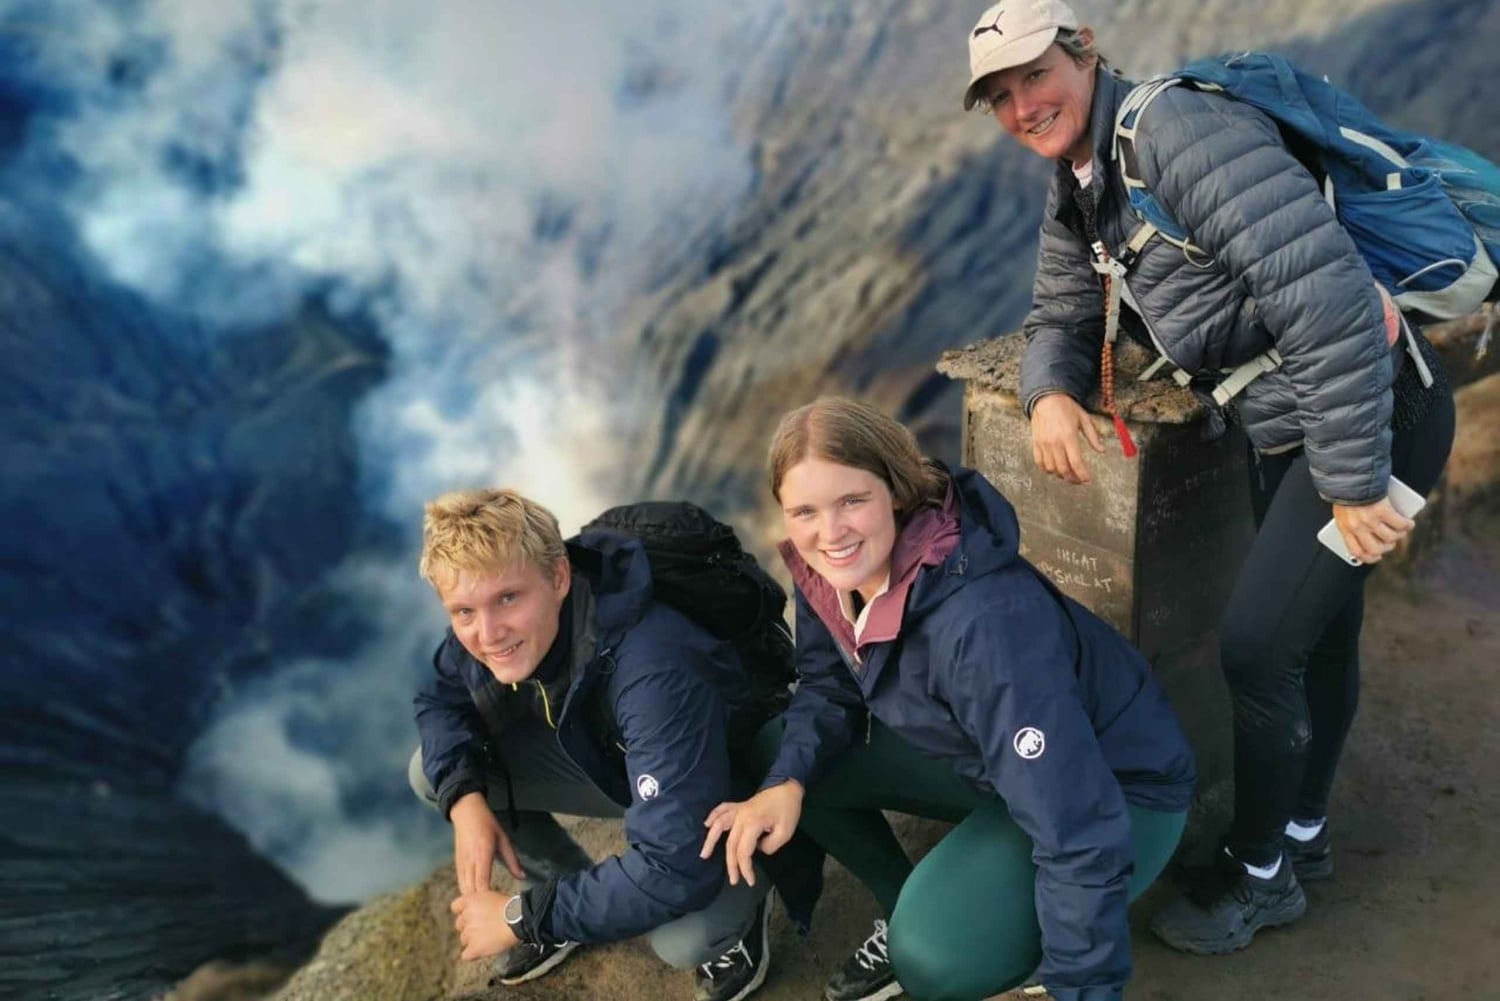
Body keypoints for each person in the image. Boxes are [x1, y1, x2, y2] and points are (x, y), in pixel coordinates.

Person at [959, 0, 1457, 955]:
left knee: (1257, 650)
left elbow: (1331, 303)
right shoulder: (1081, 182)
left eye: (1035, 75)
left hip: (1369, 418)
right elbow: (1058, 314)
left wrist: (1356, 484)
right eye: (1001, 96)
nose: (1023, 105)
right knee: (1317, 636)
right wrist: (1048, 395)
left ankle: (1261, 875)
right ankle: (1303, 838)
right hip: (1292, 432)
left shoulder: (1174, 134)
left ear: (1085, 51)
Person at [700, 398, 1196, 1001]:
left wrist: (1081, 989)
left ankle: (974, 936)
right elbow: (830, 689)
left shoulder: (984, 625)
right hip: (996, 761)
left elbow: (1079, 829)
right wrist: (788, 782)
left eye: (852, 501)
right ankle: (903, 900)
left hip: (1117, 790)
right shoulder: (832, 573)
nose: (829, 533)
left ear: (898, 492)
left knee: (934, 958)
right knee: (784, 754)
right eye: (804, 510)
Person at [409, 488, 788, 1001]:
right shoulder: (493, 619)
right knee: (435, 774)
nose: (487, 633)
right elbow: (439, 696)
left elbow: (675, 871)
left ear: (559, 577)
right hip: (624, 758)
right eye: (463, 613)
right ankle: (560, 896)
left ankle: (744, 910)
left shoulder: (652, 667)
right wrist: (466, 802)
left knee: (685, 938)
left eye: (508, 599)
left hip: (729, 795)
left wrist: (518, 918)